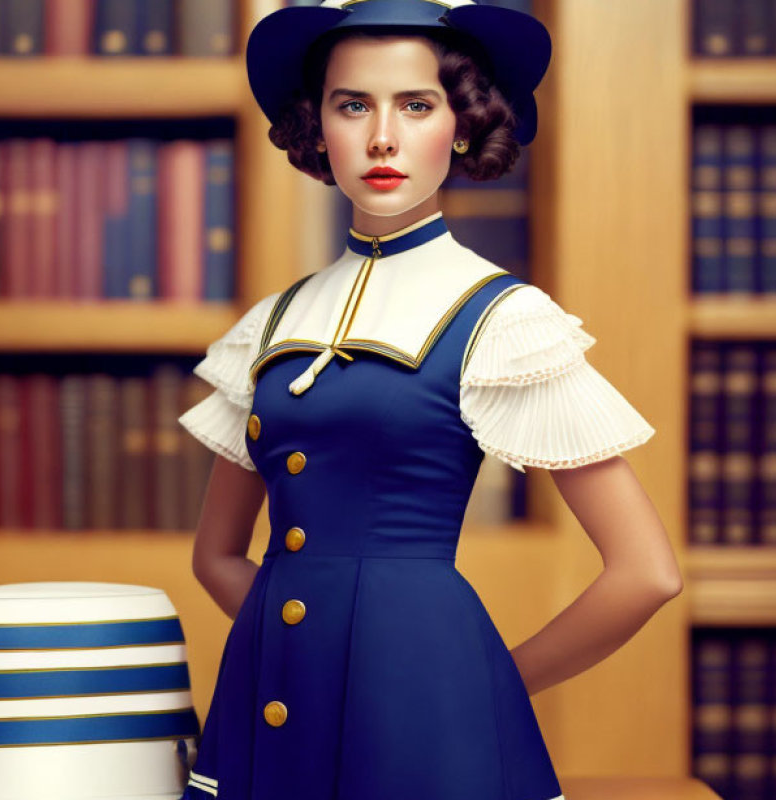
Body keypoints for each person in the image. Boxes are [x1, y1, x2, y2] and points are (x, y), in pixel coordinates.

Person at [178, 2, 683, 798]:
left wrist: (481, 682)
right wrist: (303, 648)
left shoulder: (504, 317)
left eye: (417, 105)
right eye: (354, 105)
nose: (383, 136)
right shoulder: (269, 324)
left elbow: (646, 573)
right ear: (319, 128)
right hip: (267, 707)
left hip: (422, 721)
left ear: (461, 125)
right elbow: (214, 556)